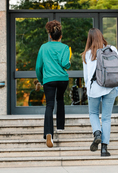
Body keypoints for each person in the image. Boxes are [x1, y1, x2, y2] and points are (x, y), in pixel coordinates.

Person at [82, 28, 118, 157]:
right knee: (106, 118)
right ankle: (104, 149)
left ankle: (97, 133)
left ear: (90, 39)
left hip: (94, 87)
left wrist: (88, 89)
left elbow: (86, 76)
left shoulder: (87, 54)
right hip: (110, 86)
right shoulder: (113, 49)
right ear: (101, 36)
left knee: (93, 113)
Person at [36, 20, 71, 148]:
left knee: (49, 105)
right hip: (62, 79)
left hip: (48, 80)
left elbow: (39, 66)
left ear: (50, 36)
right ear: (60, 36)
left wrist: (41, 79)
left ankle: (48, 132)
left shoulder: (43, 47)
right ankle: (60, 126)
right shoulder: (65, 47)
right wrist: (69, 63)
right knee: (60, 99)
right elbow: (65, 63)